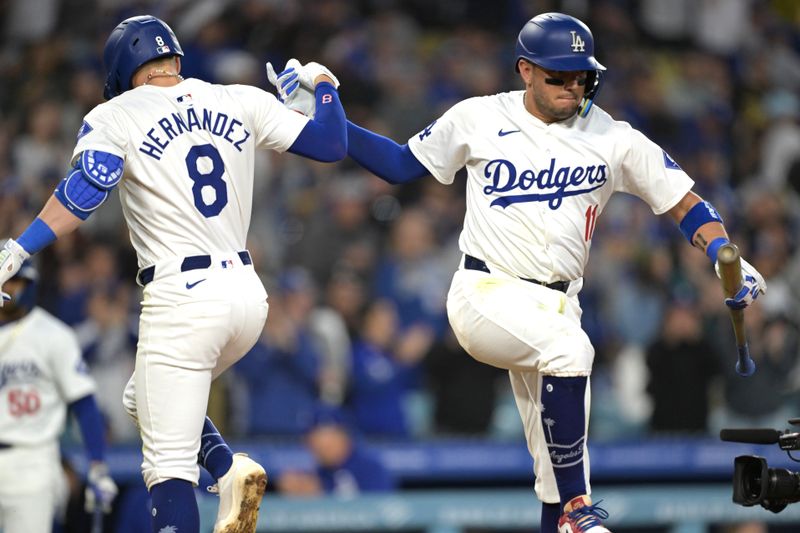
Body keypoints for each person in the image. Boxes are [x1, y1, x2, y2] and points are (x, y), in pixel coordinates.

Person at [270, 12, 766, 533]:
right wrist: (322, 119)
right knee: (573, 355)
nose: (572, 86)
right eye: (559, 75)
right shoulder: (479, 117)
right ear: (525, 70)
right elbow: (398, 164)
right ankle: (577, 511)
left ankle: (565, 509)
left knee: (556, 473)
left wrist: (725, 252)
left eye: (582, 76)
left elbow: (684, 201)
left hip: (558, 305)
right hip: (486, 290)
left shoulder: (611, 136)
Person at [0, 14, 346, 533]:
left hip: (182, 299)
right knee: (141, 396)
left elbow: (86, 191)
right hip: (248, 299)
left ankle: (222, 476)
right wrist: (322, 84)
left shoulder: (116, 113)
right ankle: (228, 469)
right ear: (176, 60)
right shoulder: (240, 97)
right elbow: (331, 145)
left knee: (167, 465)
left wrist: (20, 246)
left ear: (122, 72)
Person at [0, 260, 117, 533]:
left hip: (30, 461)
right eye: (3, 281)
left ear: (30, 284)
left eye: (14, 281)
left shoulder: (53, 334)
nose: (8, 289)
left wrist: (98, 465)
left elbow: (85, 404)